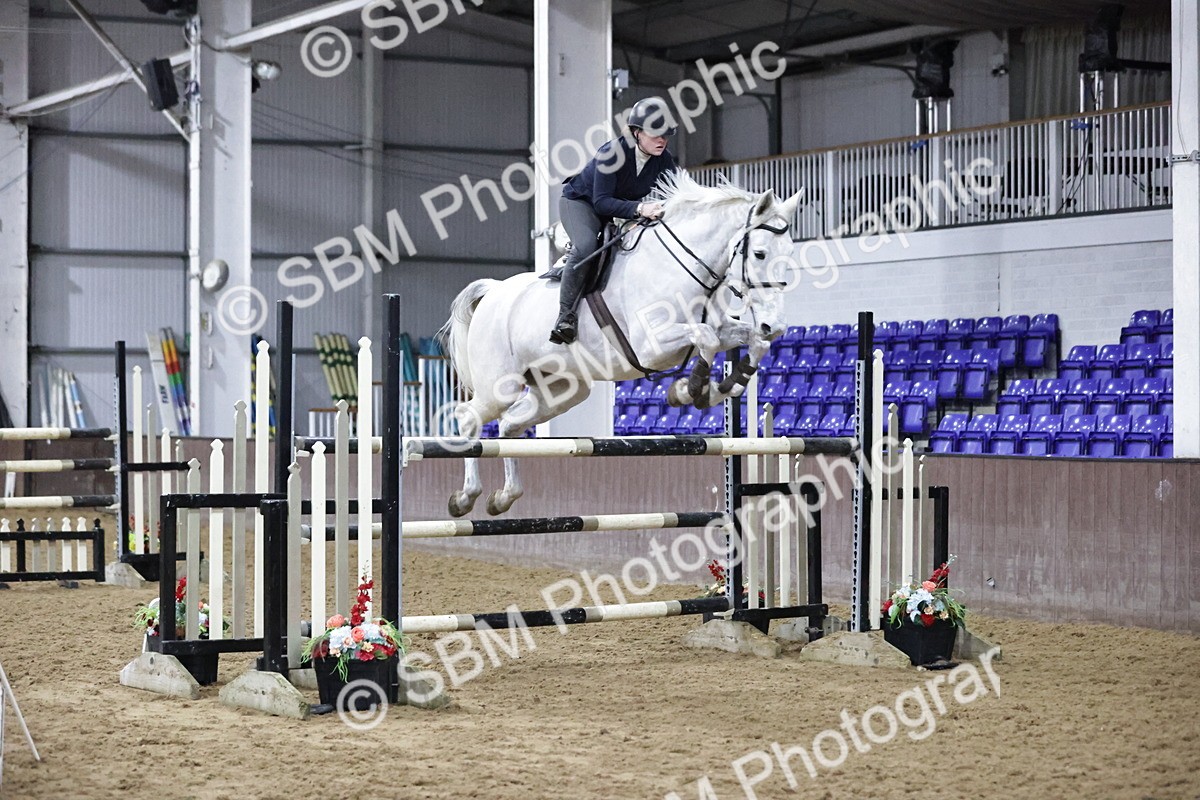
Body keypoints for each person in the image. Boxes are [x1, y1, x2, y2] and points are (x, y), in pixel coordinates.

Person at [549, 96, 679, 345]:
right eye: (655, 134)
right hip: (581, 203)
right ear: (636, 132)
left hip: (617, 210)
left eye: (666, 135)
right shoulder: (612, 153)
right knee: (587, 246)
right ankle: (565, 317)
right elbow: (601, 202)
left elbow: (677, 190)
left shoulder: (663, 159)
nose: (661, 140)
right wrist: (641, 208)